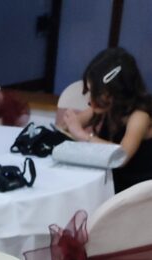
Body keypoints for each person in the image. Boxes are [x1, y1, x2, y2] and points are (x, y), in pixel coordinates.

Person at [61, 47, 152, 192]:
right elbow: (67, 127)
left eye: (97, 94)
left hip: (135, 195)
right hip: (110, 184)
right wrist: (70, 121)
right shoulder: (106, 107)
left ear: (118, 92)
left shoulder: (139, 116)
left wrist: (83, 135)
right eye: (91, 92)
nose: (91, 100)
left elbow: (121, 157)